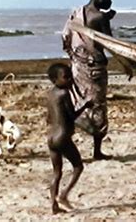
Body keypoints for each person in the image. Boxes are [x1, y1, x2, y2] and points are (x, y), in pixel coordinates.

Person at [62, 0, 121, 160]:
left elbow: (67, 36)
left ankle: (69, 137)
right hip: (95, 69)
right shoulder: (99, 18)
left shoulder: (76, 13)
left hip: (78, 67)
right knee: (98, 106)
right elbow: (109, 42)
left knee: (78, 101)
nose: (110, 2)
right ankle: (97, 151)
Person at [46, 63, 93, 214]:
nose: (70, 80)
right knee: (78, 167)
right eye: (66, 78)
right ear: (55, 80)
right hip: (62, 137)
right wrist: (85, 106)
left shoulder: (51, 94)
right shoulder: (64, 94)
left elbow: (49, 118)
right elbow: (72, 116)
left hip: (51, 137)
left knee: (56, 172)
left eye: (70, 76)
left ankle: (54, 204)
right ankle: (64, 195)